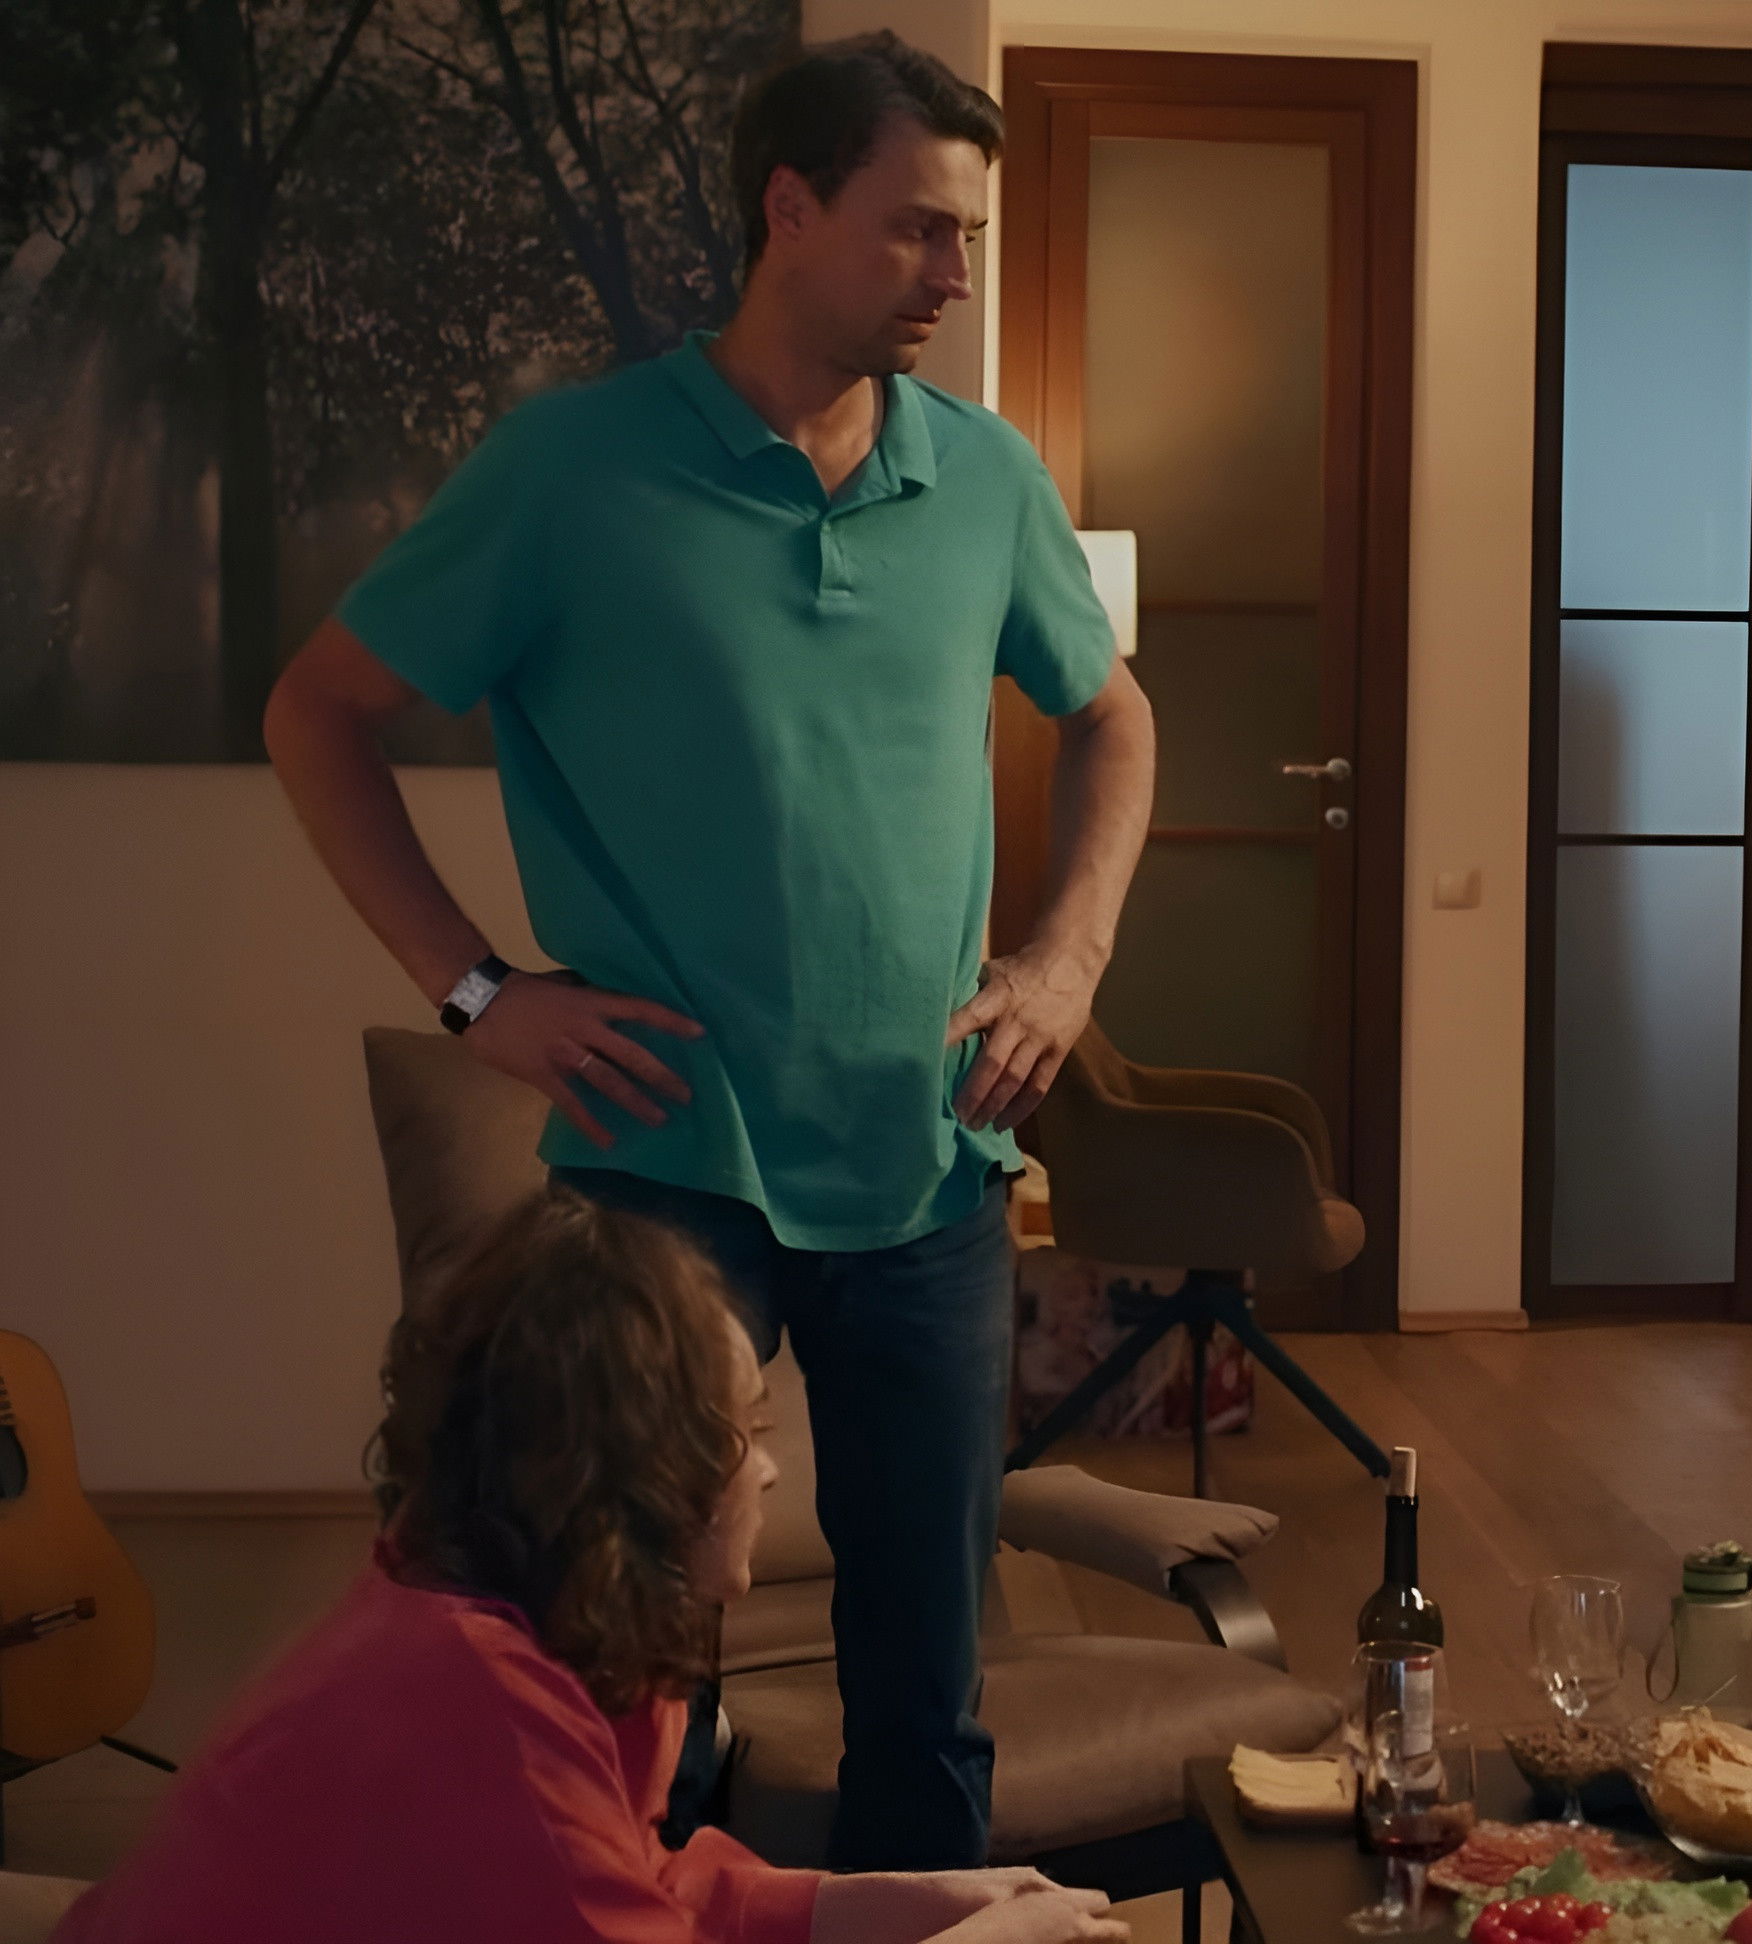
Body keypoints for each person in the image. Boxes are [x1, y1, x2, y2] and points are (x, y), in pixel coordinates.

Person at [262, 34, 1154, 1868]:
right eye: (918, 229)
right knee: (614, 1671)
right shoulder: (571, 468)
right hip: (669, 1167)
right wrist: (476, 991)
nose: (955, 275)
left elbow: (1114, 715)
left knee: (927, 1692)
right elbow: (316, 711)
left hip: (930, 1167)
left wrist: (1067, 960)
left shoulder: (984, 477)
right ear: (788, 207)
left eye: (969, 236)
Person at [54, 1191, 1129, 1944]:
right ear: (638, 1473)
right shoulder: (474, 1700)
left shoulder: (568, 1625)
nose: (765, 1471)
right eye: (742, 1431)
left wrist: (890, 1906)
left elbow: (640, 1884)